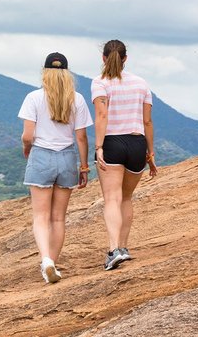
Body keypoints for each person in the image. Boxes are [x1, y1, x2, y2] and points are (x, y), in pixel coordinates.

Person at [19, 52, 93, 284]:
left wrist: (27, 149)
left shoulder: (33, 97)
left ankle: (46, 261)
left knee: (40, 217)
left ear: (45, 73)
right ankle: (53, 263)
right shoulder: (77, 99)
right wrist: (83, 166)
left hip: (41, 155)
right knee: (58, 218)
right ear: (67, 74)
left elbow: (27, 135)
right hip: (67, 158)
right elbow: (81, 137)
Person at [91, 40, 158, 271]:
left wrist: (98, 147)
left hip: (112, 142)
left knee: (112, 199)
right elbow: (147, 121)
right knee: (126, 198)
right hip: (137, 143)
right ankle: (124, 247)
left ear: (103, 58)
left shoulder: (100, 83)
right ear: (126, 58)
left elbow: (101, 116)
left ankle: (113, 251)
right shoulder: (141, 84)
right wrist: (150, 153)